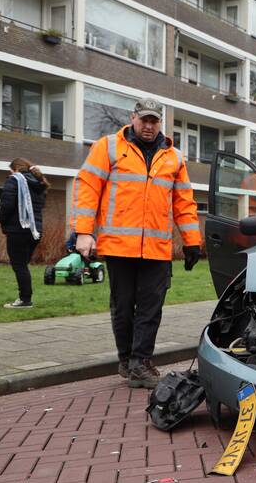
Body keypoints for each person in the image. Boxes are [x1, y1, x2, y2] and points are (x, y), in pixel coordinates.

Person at [71, 98, 202, 389]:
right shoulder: (109, 147)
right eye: (144, 119)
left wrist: (193, 242)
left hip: (156, 248)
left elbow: (184, 202)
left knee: (151, 307)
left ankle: (140, 362)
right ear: (133, 118)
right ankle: (127, 359)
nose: (149, 125)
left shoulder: (174, 157)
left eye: (154, 120)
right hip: (119, 245)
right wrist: (83, 231)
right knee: (123, 306)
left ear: (160, 123)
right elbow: (88, 187)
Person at [0, 158, 48, 308]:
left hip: (17, 229)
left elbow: (6, 205)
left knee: (19, 266)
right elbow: (41, 205)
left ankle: (25, 300)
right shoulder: (39, 183)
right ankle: (25, 298)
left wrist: (2, 221)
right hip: (35, 230)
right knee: (23, 265)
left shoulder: (14, 181)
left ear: (14, 169)